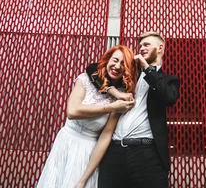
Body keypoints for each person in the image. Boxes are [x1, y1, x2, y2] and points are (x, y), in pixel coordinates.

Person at [84, 32, 180, 188]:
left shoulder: (169, 81)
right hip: (114, 152)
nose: (141, 48)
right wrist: (114, 91)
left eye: (146, 45)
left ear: (160, 47)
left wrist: (148, 69)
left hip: (147, 154)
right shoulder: (128, 72)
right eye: (140, 45)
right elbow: (94, 68)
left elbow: (169, 97)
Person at [36, 45, 137, 188]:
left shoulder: (121, 96)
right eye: (115, 60)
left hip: (88, 151)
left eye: (123, 64)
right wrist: (111, 107)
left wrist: (84, 179)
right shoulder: (86, 79)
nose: (117, 66)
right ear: (107, 60)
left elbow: (105, 136)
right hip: (65, 142)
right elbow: (72, 112)